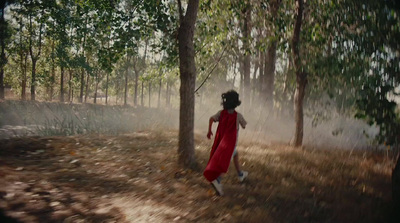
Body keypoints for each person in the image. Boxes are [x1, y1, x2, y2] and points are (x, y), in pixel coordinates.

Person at [203, 90, 248, 196]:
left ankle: (240, 174)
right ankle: (217, 181)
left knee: (235, 155)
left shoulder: (221, 113)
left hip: (221, 144)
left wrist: (209, 131)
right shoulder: (238, 116)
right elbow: (244, 125)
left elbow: (211, 119)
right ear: (236, 103)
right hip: (230, 144)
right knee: (225, 163)